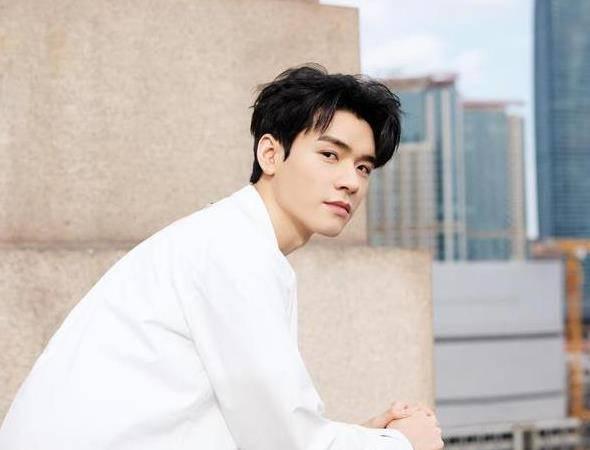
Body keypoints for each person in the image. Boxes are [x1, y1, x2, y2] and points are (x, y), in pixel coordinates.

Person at [0, 64, 444, 450]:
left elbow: (258, 430)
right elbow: (284, 442)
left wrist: (364, 437)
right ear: (270, 154)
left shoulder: (232, 241)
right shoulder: (232, 252)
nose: (351, 181)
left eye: (363, 167)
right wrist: (403, 443)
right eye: (330, 155)